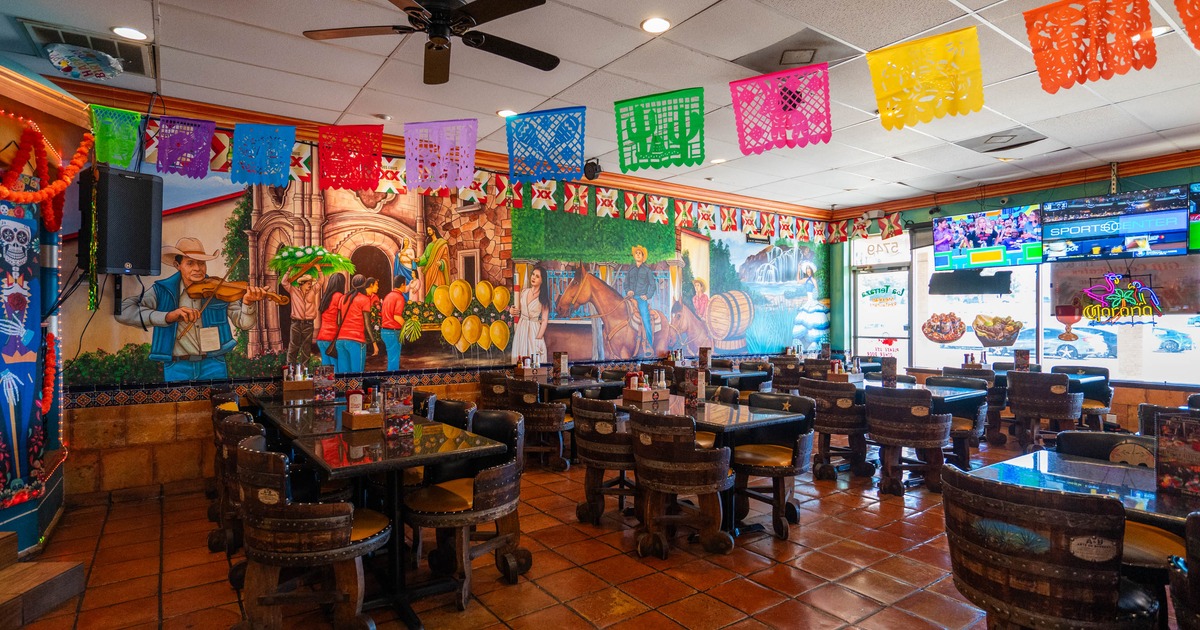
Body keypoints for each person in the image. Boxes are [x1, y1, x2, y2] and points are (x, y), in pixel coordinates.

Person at [117, 237, 264, 382]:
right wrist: (168, 316)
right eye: (190, 263)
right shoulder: (163, 290)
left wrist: (248, 303)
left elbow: (244, 323)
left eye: (201, 263)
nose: (197, 268)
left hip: (214, 364)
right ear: (177, 265)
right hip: (177, 366)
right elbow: (123, 312)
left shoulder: (219, 287)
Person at [335, 275, 380, 373]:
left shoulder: (343, 298)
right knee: (357, 376)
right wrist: (374, 344)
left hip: (341, 340)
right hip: (356, 340)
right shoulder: (364, 299)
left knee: (343, 376)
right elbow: (367, 324)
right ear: (364, 285)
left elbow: (338, 321)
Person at [281, 269, 324, 365]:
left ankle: (305, 371)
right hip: (296, 323)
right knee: (293, 347)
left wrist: (319, 270)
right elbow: (284, 282)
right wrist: (288, 271)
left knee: (306, 348)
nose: (310, 286)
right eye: (309, 283)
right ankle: (290, 371)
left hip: (308, 324)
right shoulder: (293, 290)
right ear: (302, 283)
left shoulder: (313, 290)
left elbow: (321, 281)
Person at [509, 264, 549, 363]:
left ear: (542, 280)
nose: (534, 277)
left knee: (534, 359)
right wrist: (511, 310)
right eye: (533, 274)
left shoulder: (543, 298)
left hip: (534, 329)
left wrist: (538, 337)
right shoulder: (524, 292)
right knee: (519, 357)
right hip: (521, 327)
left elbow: (544, 320)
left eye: (537, 276)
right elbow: (516, 309)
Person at [625, 245, 657, 354]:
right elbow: (626, 283)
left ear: (643, 257)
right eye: (636, 253)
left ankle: (649, 344)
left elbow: (653, 285)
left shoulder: (647, 270)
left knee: (645, 318)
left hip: (641, 299)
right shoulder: (631, 270)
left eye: (640, 253)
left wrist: (647, 296)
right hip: (630, 298)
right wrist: (628, 290)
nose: (638, 254)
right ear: (634, 256)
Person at [315, 273, 346, 367]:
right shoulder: (340, 297)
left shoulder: (325, 297)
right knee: (336, 368)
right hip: (332, 338)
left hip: (321, 337)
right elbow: (341, 318)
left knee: (326, 371)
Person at [380, 275, 408, 371]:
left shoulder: (388, 296)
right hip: (393, 331)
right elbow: (397, 316)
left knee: (392, 358)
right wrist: (406, 326)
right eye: (405, 284)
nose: (406, 286)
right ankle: (392, 381)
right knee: (394, 361)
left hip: (384, 331)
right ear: (401, 285)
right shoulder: (399, 297)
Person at [416, 225, 449, 303]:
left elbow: (445, 257)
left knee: (436, 289)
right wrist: (419, 259)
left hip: (438, 270)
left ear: (434, 230)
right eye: (427, 230)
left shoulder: (442, 244)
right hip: (430, 270)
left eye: (429, 230)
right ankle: (429, 310)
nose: (428, 232)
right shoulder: (430, 245)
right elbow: (426, 257)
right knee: (430, 290)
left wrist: (441, 263)